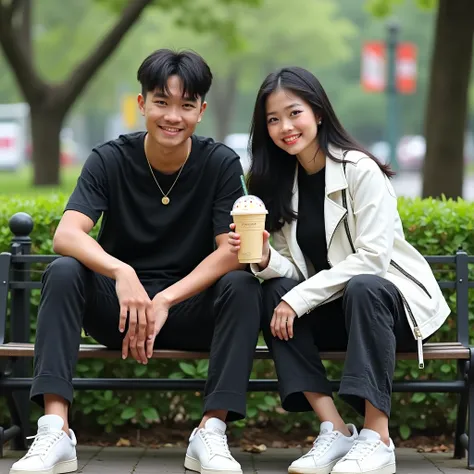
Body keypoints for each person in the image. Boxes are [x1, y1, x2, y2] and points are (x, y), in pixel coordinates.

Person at [10, 49, 262, 474]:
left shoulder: (220, 163)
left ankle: (211, 432)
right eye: (162, 102)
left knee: (241, 284)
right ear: (142, 103)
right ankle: (55, 430)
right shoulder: (110, 158)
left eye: (186, 105)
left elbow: (232, 251)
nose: (173, 116)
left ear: (201, 110)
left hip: (190, 311)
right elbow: (66, 235)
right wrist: (121, 271)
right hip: (121, 314)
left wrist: (164, 298)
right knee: (64, 270)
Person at [228, 66, 451, 474]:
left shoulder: (359, 169)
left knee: (364, 286)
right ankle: (334, 430)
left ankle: (377, 437)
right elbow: (293, 271)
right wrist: (263, 257)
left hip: (389, 307)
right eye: (273, 120)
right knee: (271, 291)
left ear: (317, 112)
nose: (285, 127)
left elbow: (374, 259)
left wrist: (297, 299)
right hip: (336, 308)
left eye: (293, 113)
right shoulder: (279, 183)